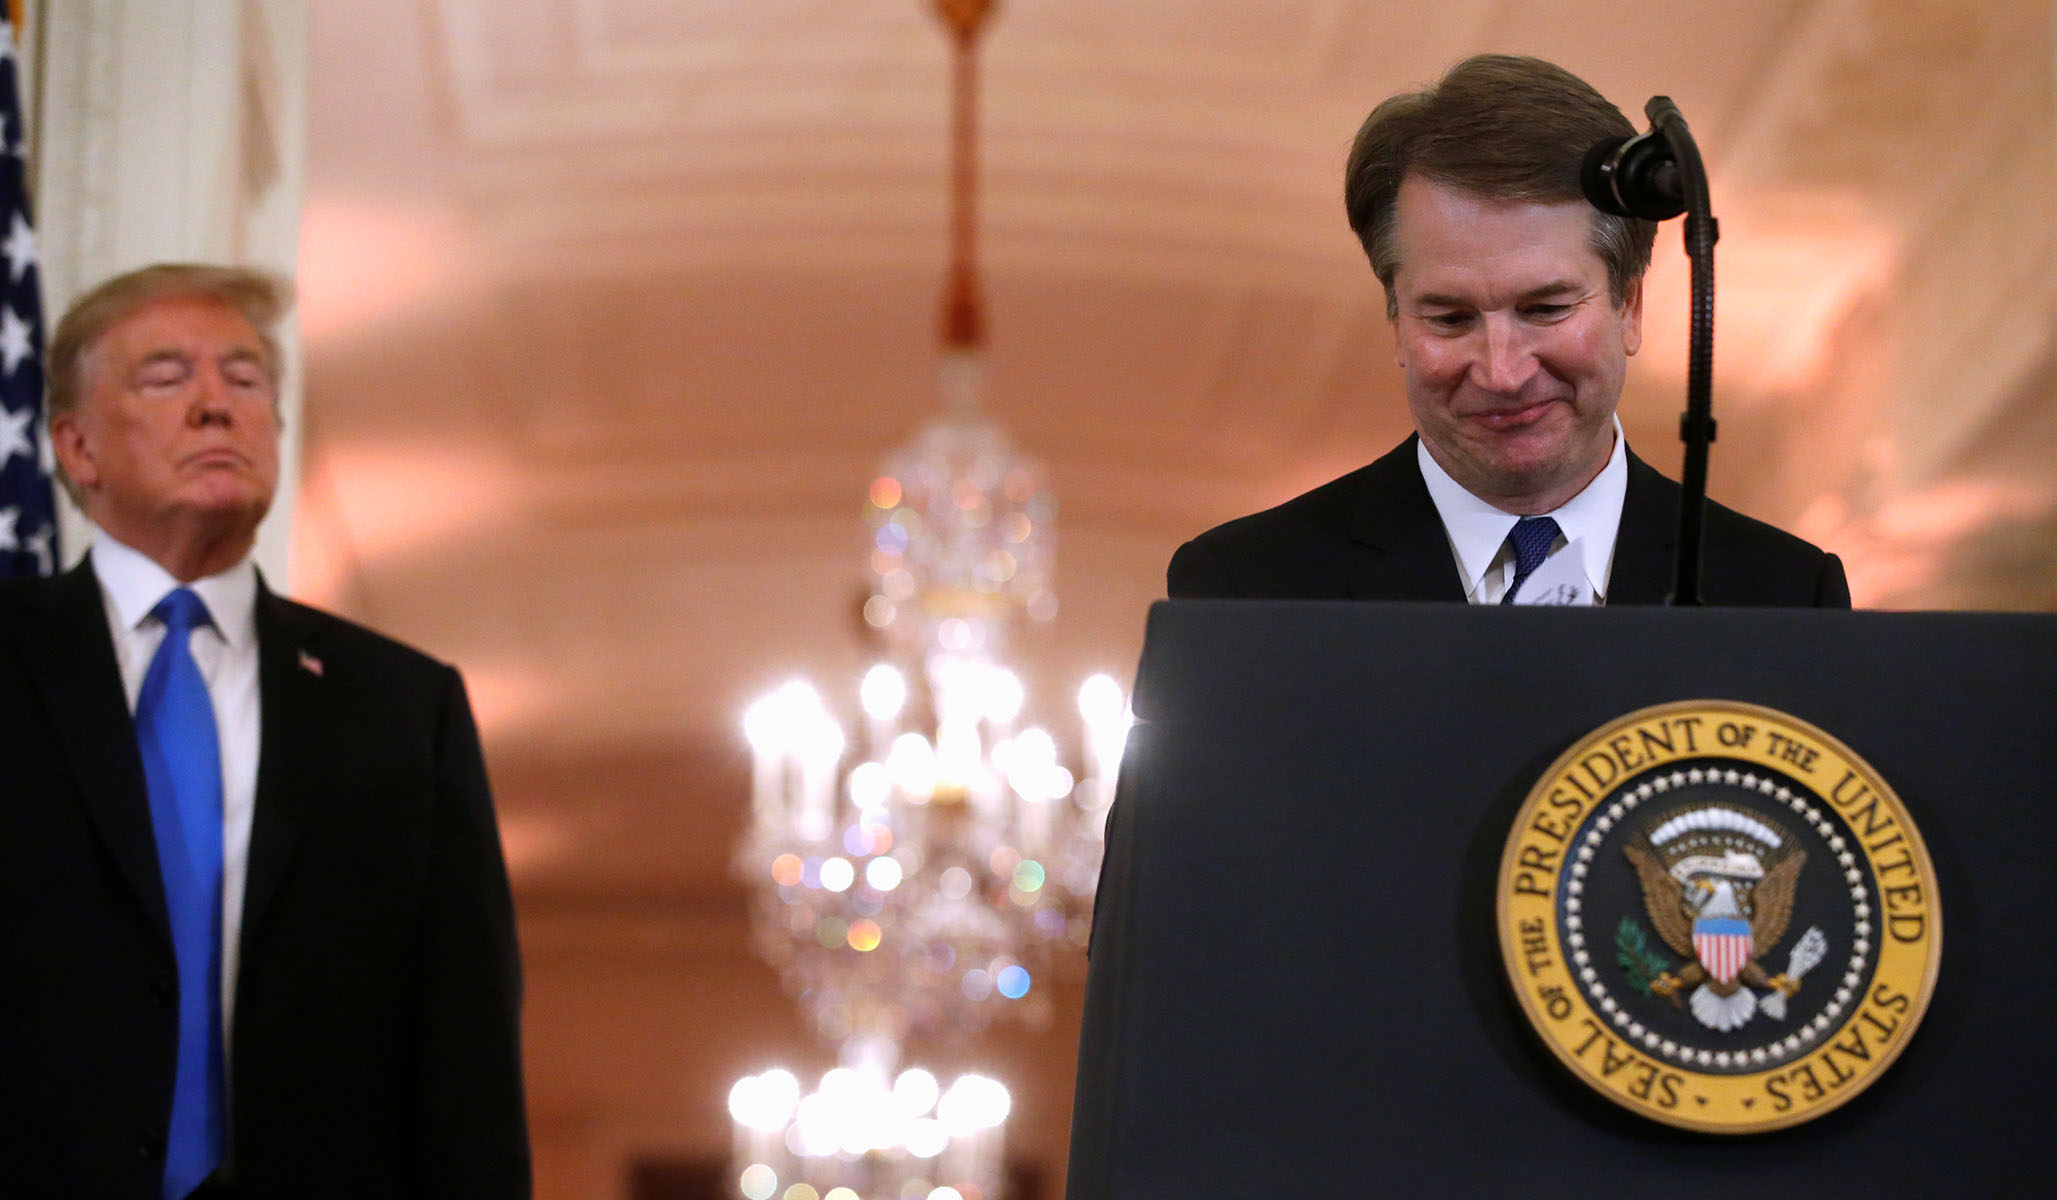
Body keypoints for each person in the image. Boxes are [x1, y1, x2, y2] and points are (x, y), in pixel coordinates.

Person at [0, 264, 529, 1197]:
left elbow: (466, 1053)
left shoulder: (404, 708)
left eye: (244, 379)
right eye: (167, 377)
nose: (217, 404)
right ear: (77, 448)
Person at [1168, 55, 1849, 607]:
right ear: (1396, 323)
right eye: (1450, 319)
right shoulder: (1247, 587)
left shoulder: (1784, 594)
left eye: (1545, 309)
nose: (1502, 372)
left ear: (1630, 306)